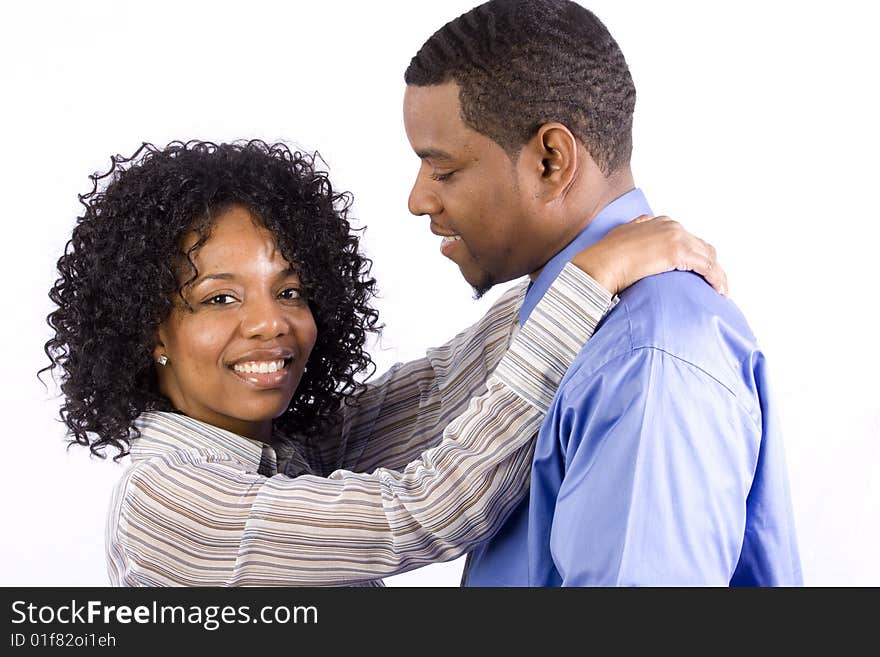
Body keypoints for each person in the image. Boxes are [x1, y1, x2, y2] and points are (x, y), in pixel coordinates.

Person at [44, 139, 722, 586]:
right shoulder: (167, 503)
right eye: (218, 297)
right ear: (146, 328)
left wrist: (576, 265)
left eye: (290, 290)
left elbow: (439, 390)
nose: (269, 323)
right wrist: (591, 277)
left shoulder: (289, 455)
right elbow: (424, 511)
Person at [402, 0, 801, 585]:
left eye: (443, 170)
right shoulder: (560, 321)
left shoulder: (644, 357)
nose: (418, 200)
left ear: (549, 160)